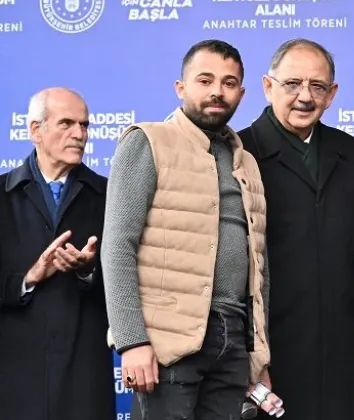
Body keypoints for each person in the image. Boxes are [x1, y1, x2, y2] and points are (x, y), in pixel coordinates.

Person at [101, 39, 280, 420]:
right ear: (181, 88)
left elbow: (258, 266)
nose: (217, 91)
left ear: (242, 94)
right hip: (169, 343)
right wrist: (132, 341)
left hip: (233, 340)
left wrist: (258, 355)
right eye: (205, 80)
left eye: (229, 83)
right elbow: (117, 247)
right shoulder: (147, 141)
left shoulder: (247, 162)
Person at [236, 38, 354, 420]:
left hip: (341, 340)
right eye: (292, 84)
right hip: (269, 345)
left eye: (318, 86)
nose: (305, 97)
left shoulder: (346, 149)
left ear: (332, 94)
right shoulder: (238, 151)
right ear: (268, 87)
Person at [0, 87, 114, 420]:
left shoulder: (110, 196)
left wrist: (87, 272)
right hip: (13, 373)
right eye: (67, 123)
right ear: (36, 130)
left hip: (84, 371)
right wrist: (27, 278)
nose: (79, 134)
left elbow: (133, 285)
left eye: (85, 125)